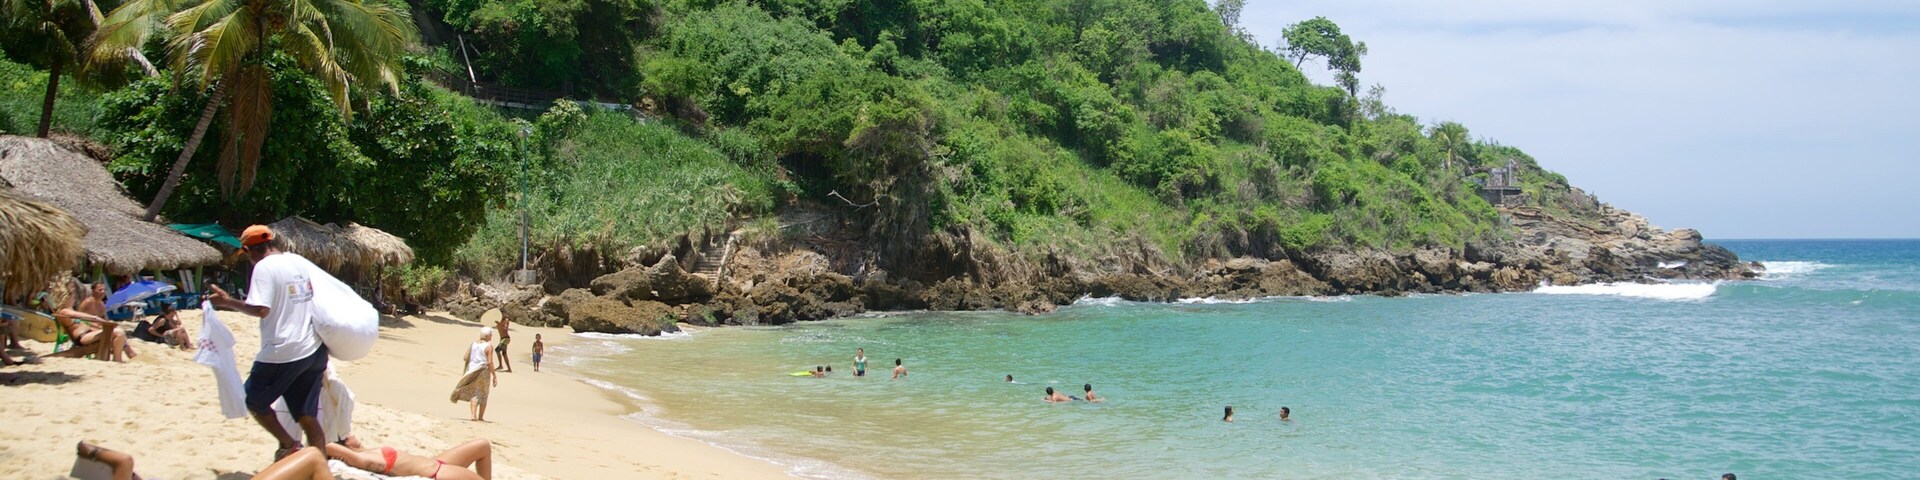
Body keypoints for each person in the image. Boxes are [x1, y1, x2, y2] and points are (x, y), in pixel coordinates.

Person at [207, 225, 331, 459]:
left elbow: (262, 309)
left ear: (249, 250)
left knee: (253, 400)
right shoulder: (296, 262)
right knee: (306, 414)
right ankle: (319, 466)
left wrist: (227, 302)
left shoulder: (264, 267)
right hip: (313, 349)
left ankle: (289, 445)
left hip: (283, 351)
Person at [325, 438, 496, 480]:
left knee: (482, 445)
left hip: (436, 464)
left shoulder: (365, 451)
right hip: (437, 473)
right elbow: (328, 446)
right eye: (347, 437)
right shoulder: (361, 459)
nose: (351, 435)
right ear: (346, 446)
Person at [47, 279, 132, 362]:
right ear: (67, 297)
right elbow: (82, 316)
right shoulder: (64, 311)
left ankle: (118, 358)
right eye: (73, 296)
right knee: (119, 333)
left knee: (119, 335)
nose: (74, 299)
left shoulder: (69, 309)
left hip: (87, 334)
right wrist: (96, 318)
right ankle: (117, 360)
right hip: (83, 337)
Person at [78, 281, 138, 360]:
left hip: (98, 329)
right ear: (93, 291)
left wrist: (112, 323)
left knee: (119, 331)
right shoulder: (87, 302)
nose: (103, 292)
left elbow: (105, 320)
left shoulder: (101, 304)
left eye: (104, 290)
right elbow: (79, 318)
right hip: (88, 331)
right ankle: (122, 355)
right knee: (119, 333)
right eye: (100, 290)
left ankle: (122, 354)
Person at [451, 327, 498, 421]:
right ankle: (480, 417)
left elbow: (465, 357)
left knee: (474, 393)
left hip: (472, 371)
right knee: (484, 393)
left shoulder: (473, 344)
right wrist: (494, 375)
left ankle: (473, 415)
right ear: (488, 335)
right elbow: (489, 363)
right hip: (483, 371)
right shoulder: (489, 346)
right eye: (491, 334)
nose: (492, 336)